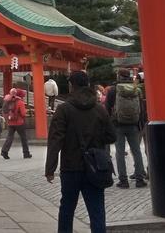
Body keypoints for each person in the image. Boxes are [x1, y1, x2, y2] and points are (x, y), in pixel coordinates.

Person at [47, 71, 116, 233]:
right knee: (97, 209)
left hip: (71, 166)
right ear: (88, 84)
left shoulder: (64, 109)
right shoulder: (99, 109)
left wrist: (50, 168)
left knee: (67, 208)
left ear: (71, 86)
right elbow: (111, 136)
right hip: (95, 166)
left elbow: (55, 141)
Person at [105, 68, 148, 188]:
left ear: (118, 76)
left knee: (119, 152)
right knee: (136, 151)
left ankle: (123, 180)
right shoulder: (136, 89)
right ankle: (140, 179)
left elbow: (107, 108)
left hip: (117, 125)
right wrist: (140, 124)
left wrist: (109, 124)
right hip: (134, 124)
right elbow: (141, 108)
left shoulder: (113, 90)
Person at [2, 87, 32, 159]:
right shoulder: (20, 102)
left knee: (9, 137)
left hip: (10, 122)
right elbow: (23, 113)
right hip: (19, 123)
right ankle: (26, 153)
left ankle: (4, 151)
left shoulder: (8, 101)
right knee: (23, 138)